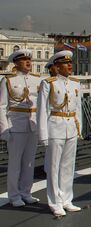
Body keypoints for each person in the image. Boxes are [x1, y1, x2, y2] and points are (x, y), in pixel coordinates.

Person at [37, 50, 82, 216]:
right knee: (54, 167)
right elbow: (42, 110)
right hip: (55, 126)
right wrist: (43, 134)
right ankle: (55, 202)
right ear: (56, 66)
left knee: (68, 167)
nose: (69, 65)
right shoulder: (48, 83)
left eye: (70, 63)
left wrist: (79, 129)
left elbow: (77, 109)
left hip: (71, 126)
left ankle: (67, 199)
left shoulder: (75, 83)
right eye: (65, 63)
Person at [0, 49, 42, 207]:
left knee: (29, 162)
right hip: (16, 125)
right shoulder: (8, 81)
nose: (28, 62)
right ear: (16, 63)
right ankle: (14, 195)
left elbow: (42, 104)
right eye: (24, 60)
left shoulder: (37, 80)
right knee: (15, 163)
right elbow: (2, 106)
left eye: (29, 60)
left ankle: (26, 192)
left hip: (32, 124)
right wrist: (4, 130)